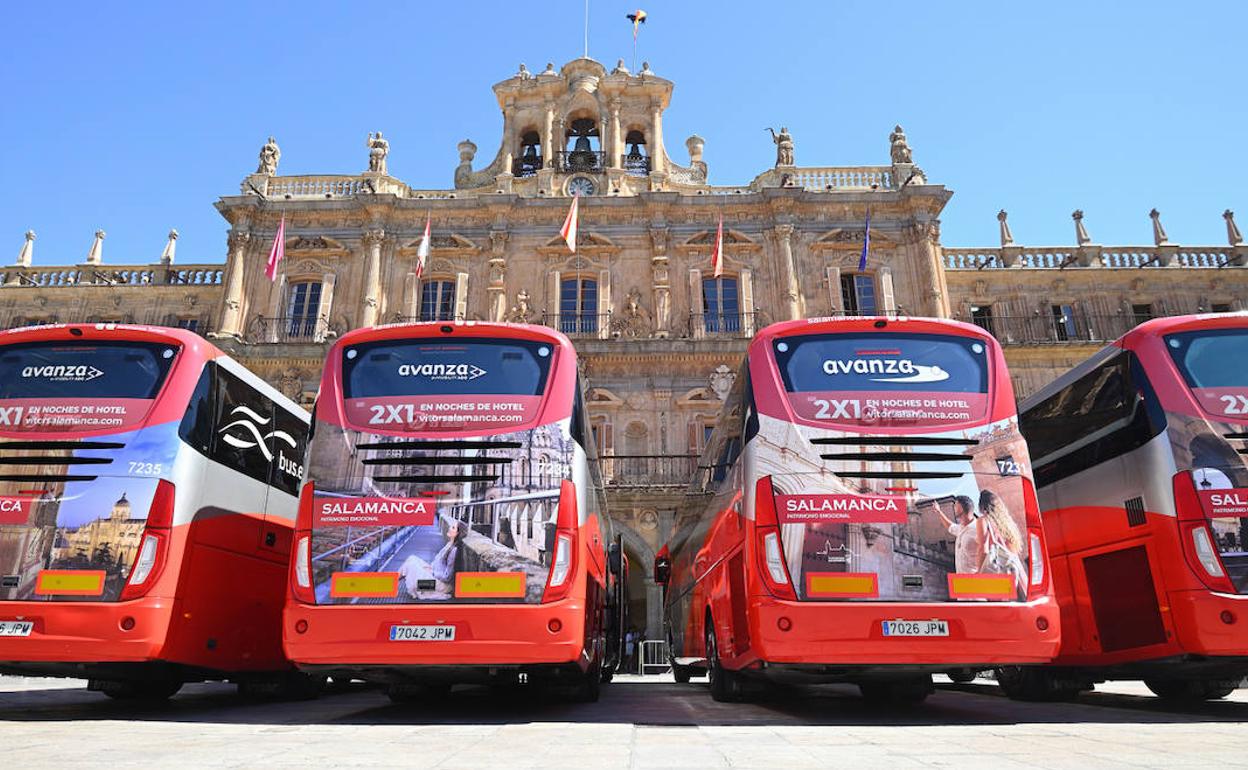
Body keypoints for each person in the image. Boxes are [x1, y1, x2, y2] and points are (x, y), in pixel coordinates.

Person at [975, 489, 1027, 597]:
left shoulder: (983, 521)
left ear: (981, 506)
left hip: (1000, 573)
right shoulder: (1007, 523)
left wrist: (979, 574)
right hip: (1017, 571)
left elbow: (983, 548)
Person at [936, 495, 980, 574]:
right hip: (961, 580)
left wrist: (979, 574)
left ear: (961, 507)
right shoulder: (961, 528)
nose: (954, 507)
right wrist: (939, 512)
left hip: (976, 580)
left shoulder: (978, 528)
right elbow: (950, 526)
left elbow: (989, 555)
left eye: (955, 505)